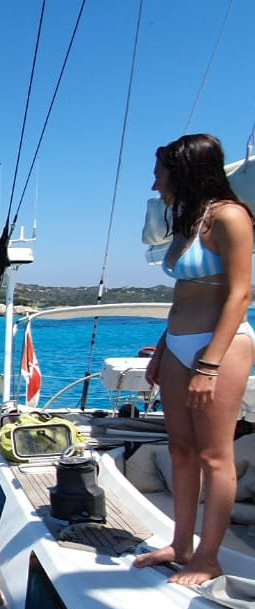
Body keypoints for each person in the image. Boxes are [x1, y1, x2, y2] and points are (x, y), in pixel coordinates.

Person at [134, 134, 255, 585]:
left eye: (160, 171)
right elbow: (182, 296)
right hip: (179, 343)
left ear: (183, 170)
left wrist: (209, 364)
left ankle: (208, 557)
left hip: (219, 346)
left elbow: (240, 294)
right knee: (181, 451)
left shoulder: (230, 217)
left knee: (213, 455)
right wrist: (164, 349)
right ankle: (180, 544)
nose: (155, 181)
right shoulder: (187, 221)